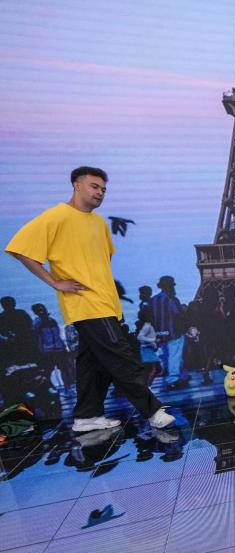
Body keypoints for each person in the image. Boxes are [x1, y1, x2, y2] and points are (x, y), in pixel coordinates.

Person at [5, 166, 173, 431]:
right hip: (85, 303)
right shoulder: (56, 216)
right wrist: (54, 282)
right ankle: (152, 411)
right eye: (95, 186)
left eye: (103, 189)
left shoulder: (99, 223)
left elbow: (101, 262)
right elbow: (20, 249)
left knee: (91, 363)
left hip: (106, 303)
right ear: (77, 185)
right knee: (121, 357)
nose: (100, 193)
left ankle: (86, 417)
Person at [150, 275, 190, 389]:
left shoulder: (153, 300)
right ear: (170, 286)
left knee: (167, 354)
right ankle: (173, 379)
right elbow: (177, 315)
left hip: (160, 333)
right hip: (173, 332)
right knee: (175, 355)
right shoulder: (171, 299)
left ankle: (182, 375)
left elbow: (150, 317)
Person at [0, 296, 36, 365]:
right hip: (16, 340)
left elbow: (29, 325)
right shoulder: (21, 313)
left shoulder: (20, 313)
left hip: (23, 339)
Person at [136, 307, 160, 386]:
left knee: (151, 369)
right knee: (152, 369)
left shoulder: (145, 325)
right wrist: (153, 340)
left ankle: (146, 385)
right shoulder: (147, 325)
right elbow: (140, 337)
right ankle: (146, 386)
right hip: (147, 349)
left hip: (148, 349)